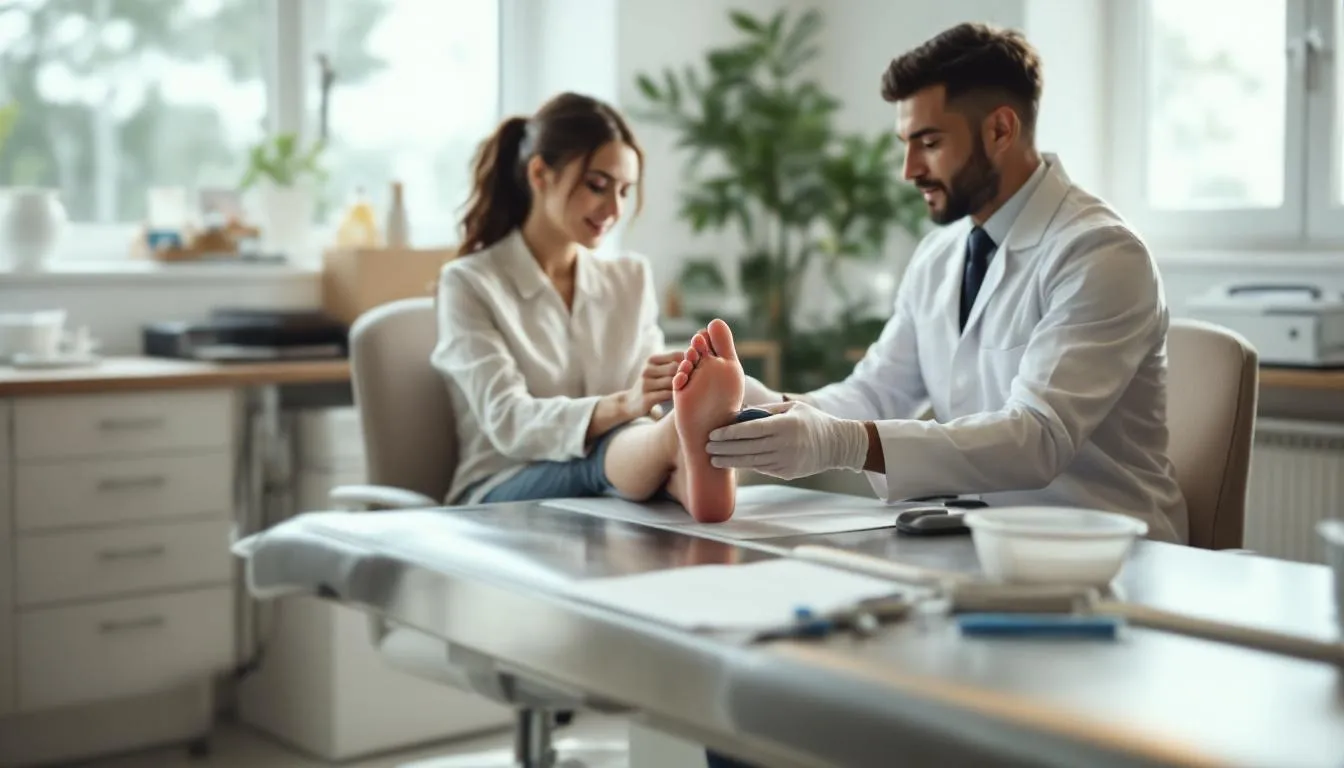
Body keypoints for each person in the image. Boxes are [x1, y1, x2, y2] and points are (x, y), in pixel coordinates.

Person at [702, 21, 1189, 545]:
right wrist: (765, 404)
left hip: (1107, 551)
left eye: (928, 142)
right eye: (905, 144)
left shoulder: (1100, 253)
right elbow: (878, 391)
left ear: (1000, 131)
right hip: (981, 542)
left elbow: (1036, 439)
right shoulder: (941, 253)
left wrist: (840, 444)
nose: (908, 169)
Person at [431, 91, 749, 524]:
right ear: (540, 174)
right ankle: (675, 451)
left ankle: (681, 470)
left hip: (621, 469)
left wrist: (673, 395)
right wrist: (625, 405)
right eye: (597, 186)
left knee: (645, 438)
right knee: (612, 449)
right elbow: (509, 421)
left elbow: (649, 398)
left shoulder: (630, 279)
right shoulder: (469, 283)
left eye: (624, 191)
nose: (614, 209)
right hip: (502, 485)